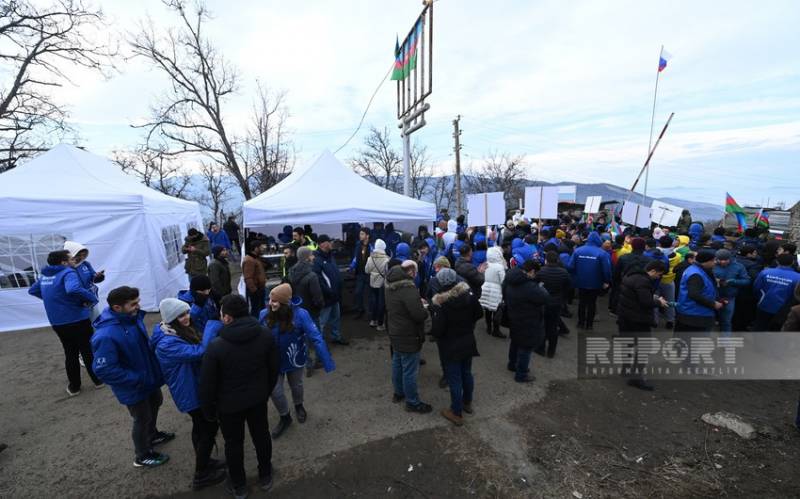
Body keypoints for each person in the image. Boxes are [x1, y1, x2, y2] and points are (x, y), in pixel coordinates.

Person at [199, 295, 280, 497]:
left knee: (233, 445)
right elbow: (273, 369)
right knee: (261, 436)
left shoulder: (216, 346)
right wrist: (265, 391)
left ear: (227, 318)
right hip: (257, 400)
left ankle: (239, 485)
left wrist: (209, 411)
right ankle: (265, 474)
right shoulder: (265, 335)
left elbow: (207, 384)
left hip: (229, 407)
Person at [91, 286, 172, 468]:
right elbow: (103, 369)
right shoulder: (106, 335)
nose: (138, 306)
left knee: (155, 403)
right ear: (117, 307)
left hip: (147, 379)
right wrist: (136, 379)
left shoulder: (132, 319)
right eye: (133, 304)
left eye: (138, 302)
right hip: (134, 385)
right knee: (141, 418)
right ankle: (142, 455)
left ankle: (152, 434)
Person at [151, 298, 226, 490]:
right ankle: (201, 474)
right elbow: (200, 351)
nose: (186, 318)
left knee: (200, 428)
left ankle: (206, 461)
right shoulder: (167, 343)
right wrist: (212, 326)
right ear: (171, 319)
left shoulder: (171, 331)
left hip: (192, 388)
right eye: (181, 315)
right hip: (190, 393)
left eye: (186, 313)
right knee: (208, 429)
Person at [258, 284, 335, 439]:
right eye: (270, 300)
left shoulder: (301, 315)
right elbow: (256, 336)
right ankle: (285, 417)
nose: (270, 303)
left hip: (295, 357)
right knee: (275, 391)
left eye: (275, 301)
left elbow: (315, 337)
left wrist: (327, 361)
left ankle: (299, 405)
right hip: (273, 361)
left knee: (297, 385)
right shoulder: (264, 314)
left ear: (285, 302)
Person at [28, 250, 103, 395]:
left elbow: (33, 290)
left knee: (70, 352)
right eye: (70, 259)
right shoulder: (68, 273)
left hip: (57, 322)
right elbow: (73, 289)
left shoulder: (45, 276)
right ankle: (98, 380)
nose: (73, 260)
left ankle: (74, 387)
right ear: (63, 262)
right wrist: (91, 298)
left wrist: (55, 300)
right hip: (77, 319)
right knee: (87, 350)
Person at [430, 268, 483, 426]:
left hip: (450, 344)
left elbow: (438, 330)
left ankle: (456, 412)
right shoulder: (469, 295)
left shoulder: (441, 304)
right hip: (467, 340)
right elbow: (479, 313)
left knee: (454, 378)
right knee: (466, 373)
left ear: (440, 282)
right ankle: (467, 402)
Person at [384, 260, 432, 413]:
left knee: (397, 363)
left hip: (395, 330)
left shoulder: (389, 285)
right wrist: (425, 310)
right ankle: (412, 402)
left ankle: (398, 393)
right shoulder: (408, 288)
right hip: (408, 333)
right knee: (410, 370)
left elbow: (401, 305)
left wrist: (416, 301)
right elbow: (418, 315)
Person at [616, 261, 668, 391]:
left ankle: (626, 369)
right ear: (653, 271)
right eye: (659, 274)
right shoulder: (643, 281)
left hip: (625, 316)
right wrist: (658, 302)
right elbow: (645, 302)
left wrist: (651, 296)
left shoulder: (631, 276)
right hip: (638, 319)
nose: (659, 277)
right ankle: (636, 378)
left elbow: (636, 295)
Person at [503, 260, 549, 383]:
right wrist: (539, 284)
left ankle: (512, 364)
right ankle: (521, 374)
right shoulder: (529, 286)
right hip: (528, 319)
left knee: (515, 341)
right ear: (532, 271)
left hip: (513, 315)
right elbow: (545, 297)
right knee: (526, 347)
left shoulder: (510, 278)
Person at [289, 246, 326, 377]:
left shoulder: (291, 272)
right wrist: (320, 306)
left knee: (302, 339)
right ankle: (319, 361)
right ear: (306, 257)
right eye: (311, 255)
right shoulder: (312, 276)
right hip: (311, 312)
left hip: (298, 311)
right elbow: (317, 296)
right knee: (316, 337)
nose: (313, 257)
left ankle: (307, 364)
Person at [568, 232, 611, 329]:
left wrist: (576, 274)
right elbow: (606, 270)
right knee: (592, 303)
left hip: (581, 281)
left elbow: (570, 266)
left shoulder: (578, 251)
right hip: (596, 283)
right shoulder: (602, 253)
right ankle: (589, 324)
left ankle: (580, 323)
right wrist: (606, 281)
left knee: (582, 302)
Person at [675, 250, 723, 334]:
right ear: (705, 261)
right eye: (713, 260)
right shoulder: (696, 274)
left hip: (694, 313)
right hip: (694, 316)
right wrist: (713, 304)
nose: (715, 262)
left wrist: (718, 299)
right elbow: (694, 294)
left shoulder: (697, 270)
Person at [536, 251, 572, 358]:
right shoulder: (564, 273)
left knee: (542, 325)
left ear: (546, 260)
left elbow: (535, 285)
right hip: (556, 303)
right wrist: (562, 298)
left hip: (543, 302)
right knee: (553, 327)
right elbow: (569, 287)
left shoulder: (541, 272)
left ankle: (541, 348)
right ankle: (551, 351)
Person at [314, 235, 348, 345]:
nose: (331, 244)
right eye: (329, 242)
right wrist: (329, 292)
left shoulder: (330, 256)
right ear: (322, 244)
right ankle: (319, 342)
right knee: (322, 321)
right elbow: (318, 279)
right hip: (326, 296)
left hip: (335, 295)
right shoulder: (317, 259)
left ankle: (336, 336)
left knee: (336, 318)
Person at [753, 253, 800, 331]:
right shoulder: (798, 277)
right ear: (792, 263)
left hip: (764, 305)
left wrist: (759, 299)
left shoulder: (766, 272)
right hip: (785, 310)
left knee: (760, 327)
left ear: (777, 261)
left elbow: (756, 288)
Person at [64, 240, 105, 320]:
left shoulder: (85, 264)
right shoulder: (65, 268)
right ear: (72, 253)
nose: (82, 257)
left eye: (84, 255)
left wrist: (99, 276)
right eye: (79, 255)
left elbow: (93, 279)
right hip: (75, 303)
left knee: (96, 323)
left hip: (90, 299)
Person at [712, 249, 750, 335]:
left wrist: (732, 281)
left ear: (730, 258)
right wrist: (715, 281)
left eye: (725, 260)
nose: (723, 262)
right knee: (709, 320)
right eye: (720, 260)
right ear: (716, 259)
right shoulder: (712, 265)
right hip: (712, 297)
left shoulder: (739, 266)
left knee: (726, 321)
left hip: (729, 298)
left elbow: (747, 281)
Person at [478, 246, 506, 338]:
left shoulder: (485, 264)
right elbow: (503, 281)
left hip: (485, 288)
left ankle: (489, 327)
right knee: (497, 309)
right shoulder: (500, 267)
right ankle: (496, 330)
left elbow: (480, 274)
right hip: (496, 290)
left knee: (487, 309)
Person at [365, 239, 391, 332]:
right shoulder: (387, 259)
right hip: (382, 284)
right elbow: (388, 273)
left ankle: (373, 320)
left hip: (373, 283)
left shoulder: (370, 258)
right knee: (381, 303)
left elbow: (366, 271)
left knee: (373, 301)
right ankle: (380, 324)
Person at [349, 228, 373, 319]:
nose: (360, 235)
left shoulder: (371, 246)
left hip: (369, 274)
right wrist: (352, 266)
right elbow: (356, 257)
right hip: (360, 273)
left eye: (362, 234)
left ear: (367, 235)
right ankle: (360, 310)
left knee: (368, 294)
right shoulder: (358, 245)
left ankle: (369, 313)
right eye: (360, 234)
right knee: (358, 292)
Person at [242, 240, 267, 318]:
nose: (263, 249)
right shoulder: (249, 260)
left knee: (261, 308)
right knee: (256, 309)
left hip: (260, 288)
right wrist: (254, 290)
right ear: (256, 248)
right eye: (261, 247)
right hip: (256, 289)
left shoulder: (256, 258)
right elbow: (248, 277)